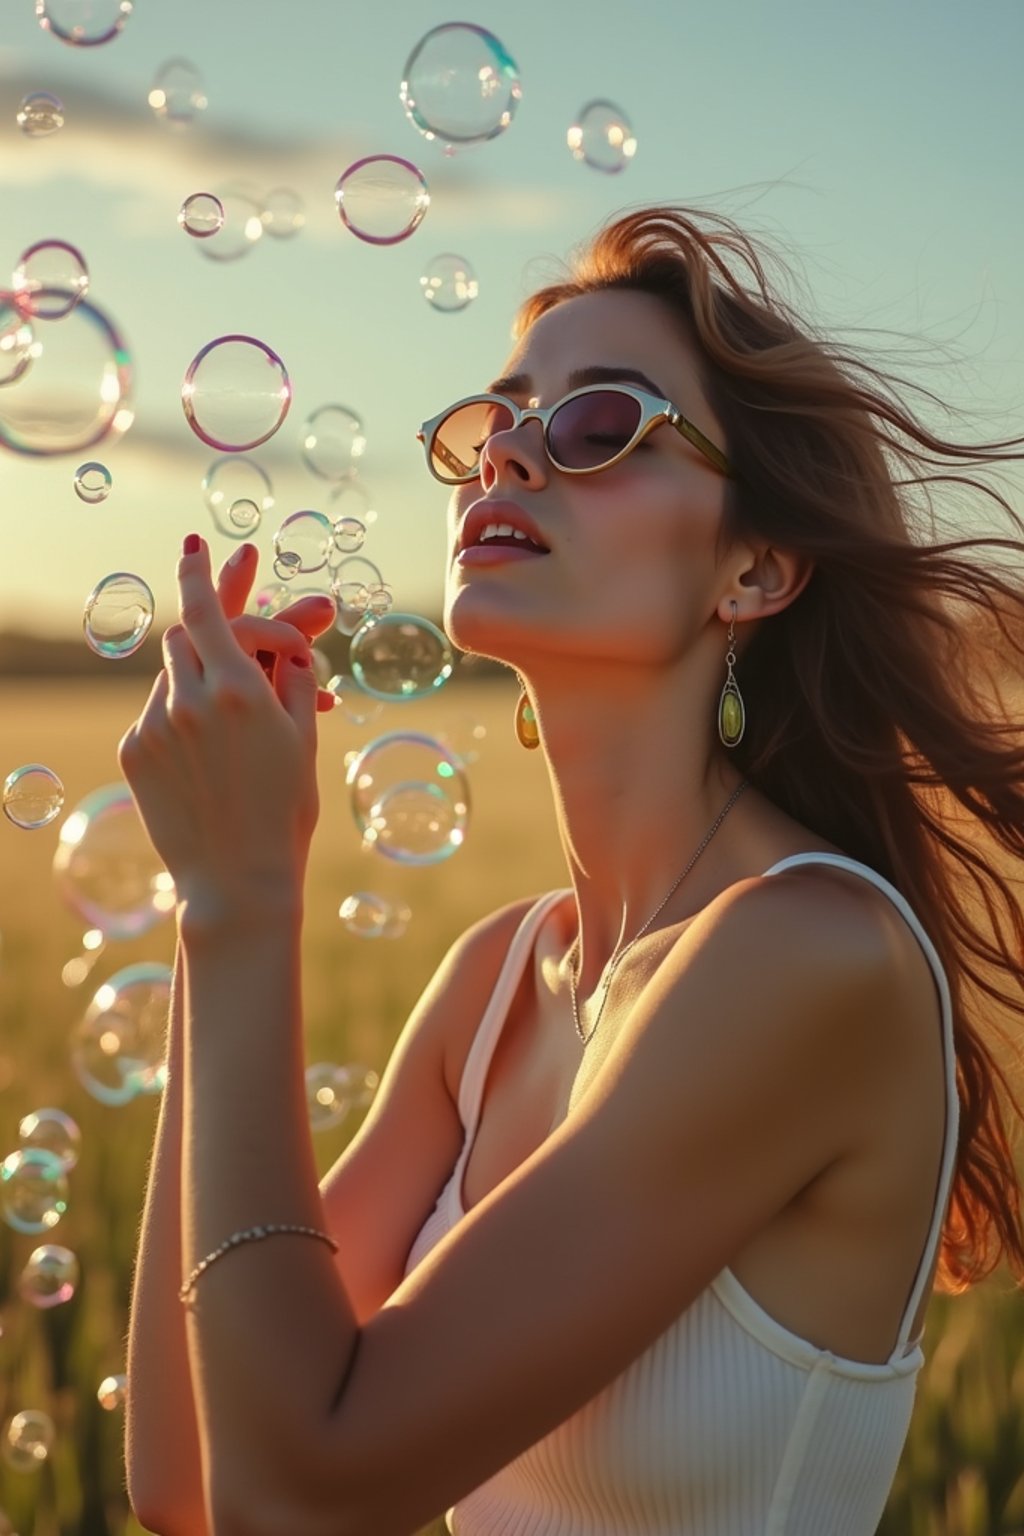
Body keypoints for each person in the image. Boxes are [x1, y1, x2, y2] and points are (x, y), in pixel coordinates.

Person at [121, 204, 1024, 1536]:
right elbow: (189, 1478)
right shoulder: (496, 978)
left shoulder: (811, 955)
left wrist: (250, 902)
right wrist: (214, 904)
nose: (511, 462)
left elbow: (293, 1497)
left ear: (758, 568)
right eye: (492, 428)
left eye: (602, 425)